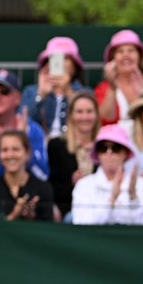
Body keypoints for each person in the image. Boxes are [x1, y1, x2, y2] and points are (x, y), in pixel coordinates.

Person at [71, 124, 143, 226]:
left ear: (125, 152)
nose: (109, 152)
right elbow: (81, 223)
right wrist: (111, 199)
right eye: (103, 148)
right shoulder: (84, 185)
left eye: (116, 148)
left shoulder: (142, 185)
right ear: (97, 153)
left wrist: (133, 197)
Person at [0, 130, 56, 221]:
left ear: (27, 153)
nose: (10, 155)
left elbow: (48, 229)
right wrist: (13, 216)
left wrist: (32, 218)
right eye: (4, 150)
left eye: (16, 149)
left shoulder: (43, 189)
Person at [46, 91, 100, 220]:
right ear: (71, 115)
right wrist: (72, 183)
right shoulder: (57, 146)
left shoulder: (106, 146)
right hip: (69, 210)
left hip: (100, 209)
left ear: (96, 115)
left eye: (89, 111)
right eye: (79, 112)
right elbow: (52, 187)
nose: (84, 117)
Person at [20, 36, 86, 139]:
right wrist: (40, 95)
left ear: (74, 67)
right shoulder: (31, 91)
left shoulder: (84, 93)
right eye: (54, 58)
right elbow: (22, 124)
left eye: (65, 58)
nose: (59, 64)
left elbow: (87, 121)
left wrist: (68, 91)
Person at [96, 29, 143, 126]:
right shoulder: (103, 88)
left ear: (140, 57)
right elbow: (104, 120)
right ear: (112, 59)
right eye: (120, 51)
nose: (126, 55)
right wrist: (112, 88)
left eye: (131, 51)